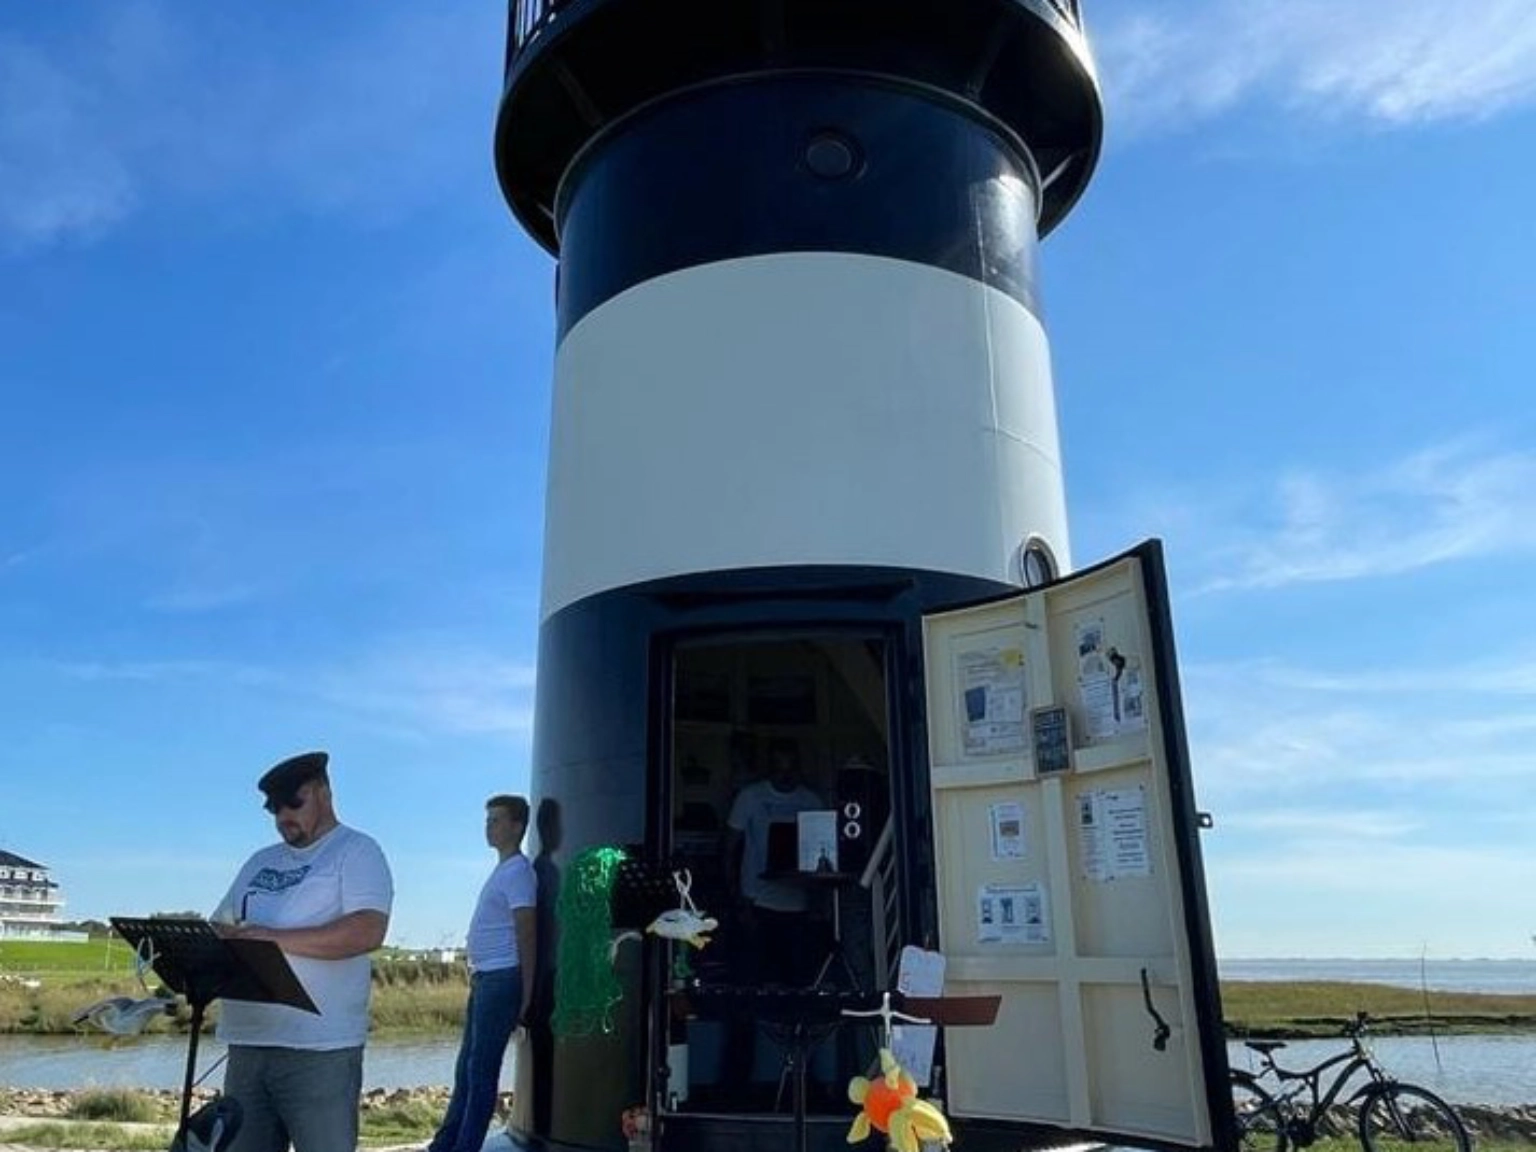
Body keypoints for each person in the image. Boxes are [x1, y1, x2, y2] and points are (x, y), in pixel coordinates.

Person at [212, 750, 394, 1152]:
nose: (283, 817)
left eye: (294, 803)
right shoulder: (258, 861)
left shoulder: (357, 851)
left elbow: (367, 930)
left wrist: (271, 939)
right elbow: (218, 925)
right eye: (274, 808)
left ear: (324, 794)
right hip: (247, 1044)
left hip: (320, 1049)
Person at [428, 795, 538, 1152]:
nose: (488, 826)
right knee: (466, 1071)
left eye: (496, 820)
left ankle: (464, 1147)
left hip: (502, 979)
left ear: (517, 826)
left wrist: (526, 992)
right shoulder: (502, 870)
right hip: (484, 978)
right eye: (487, 820)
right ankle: (444, 1145)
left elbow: (527, 932)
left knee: (481, 1074)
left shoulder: (520, 872)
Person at [720, 740, 824, 1095]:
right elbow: (730, 848)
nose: (784, 774)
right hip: (757, 907)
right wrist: (737, 901)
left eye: (789, 767)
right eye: (777, 767)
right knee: (746, 997)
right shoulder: (750, 798)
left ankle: (801, 1083)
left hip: (797, 909)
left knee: (799, 1000)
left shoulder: (812, 802)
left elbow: (825, 856)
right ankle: (735, 1083)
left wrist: (817, 907)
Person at [528, 797, 563, 1137]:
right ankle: (543, 1127)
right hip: (545, 978)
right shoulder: (541, 872)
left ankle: (545, 1125)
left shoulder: (548, 870)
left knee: (548, 1060)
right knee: (544, 1059)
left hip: (551, 974)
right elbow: (538, 931)